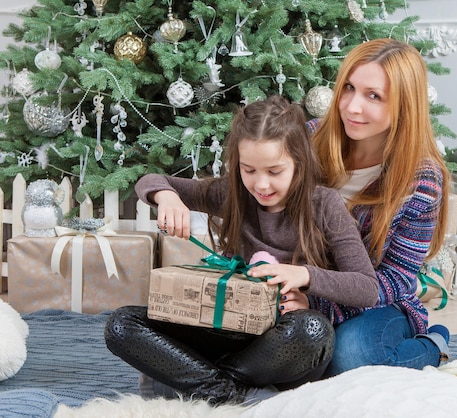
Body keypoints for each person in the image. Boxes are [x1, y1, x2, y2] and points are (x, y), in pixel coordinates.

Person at [104, 96, 378, 405]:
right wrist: (166, 197)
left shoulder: (325, 205)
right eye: (249, 170)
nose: (261, 184)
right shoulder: (231, 194)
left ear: (299, 163)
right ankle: (233, 393)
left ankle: (193, 381)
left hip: (283, 344)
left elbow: (367, 289)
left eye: (275, 171)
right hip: (231, 333)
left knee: (313, 330)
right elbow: (152, 180)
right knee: (122, 324)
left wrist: (302, 274)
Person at [309, 38, 451, 376]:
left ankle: (435, 343)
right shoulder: (308, 140)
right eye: (348, 88)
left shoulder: (421, 178)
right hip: (296, 293)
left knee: (352, 355)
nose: (352, 107)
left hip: (377, 303)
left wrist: (318, 302)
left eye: (373, 96)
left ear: (404, 105)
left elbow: (398, 279)